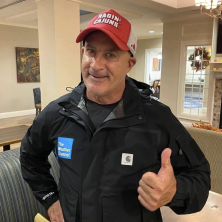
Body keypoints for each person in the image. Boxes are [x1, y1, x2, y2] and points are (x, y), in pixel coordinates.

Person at [20, 8, 210, 222]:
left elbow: (200, 176)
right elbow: (29, 156)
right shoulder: (58, 112)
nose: (96, 65)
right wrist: (51, 200)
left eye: (110, 54)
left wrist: (174, 191)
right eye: (91, 51)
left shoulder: (157, 117)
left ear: (129, 64)